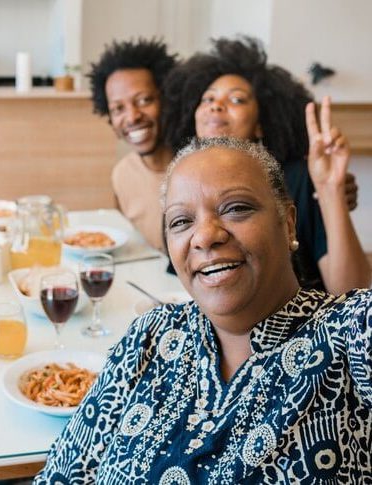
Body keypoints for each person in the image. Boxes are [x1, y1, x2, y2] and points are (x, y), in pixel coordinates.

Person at [34, 137, 371, 484]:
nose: (205, 236)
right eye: (181, 222)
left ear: (287, 224)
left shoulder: (348, 333)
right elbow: (65, 472)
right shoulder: (152, 335)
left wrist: (331, 195)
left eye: (236, 208)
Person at [163, 36, 368, 294]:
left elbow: (353, 294)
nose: (216, 105)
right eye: (207, 99)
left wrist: (332, 190)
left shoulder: (297, 179)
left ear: (261, 123)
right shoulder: (181, 184)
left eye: (236, 99)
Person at [88, 38, 178, 251]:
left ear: (166, 100)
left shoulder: (200, 169)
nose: (132, 117)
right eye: (118, 108)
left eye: (144, 100)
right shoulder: (122, 175)